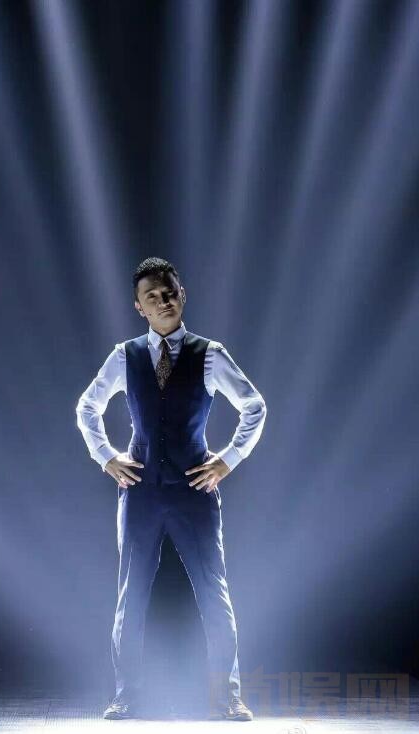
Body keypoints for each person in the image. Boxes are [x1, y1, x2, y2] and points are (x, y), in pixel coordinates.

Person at [76, 257, 267, 721]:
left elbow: (254, 406)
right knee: (131, 593)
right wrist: (106, 456)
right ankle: (126, 694)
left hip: (194, 490)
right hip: (140, 491)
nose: (163, 301)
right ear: (138, 307)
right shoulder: (125, 356)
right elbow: (87, 407)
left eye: (169, 292)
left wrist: (227, 460)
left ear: (182, 294)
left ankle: (227, 696)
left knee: (213, 591)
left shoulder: (210, 353)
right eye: (152, 297)